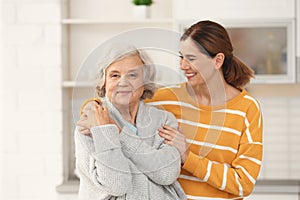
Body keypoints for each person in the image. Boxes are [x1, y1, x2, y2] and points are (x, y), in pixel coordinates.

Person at [145, 20, 263, 199]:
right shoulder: (165, 99)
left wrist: (187, 157)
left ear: (218, 60)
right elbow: (119, 105)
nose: (183, 65)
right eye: (181, 57)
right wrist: (92, 106)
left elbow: (243, 183)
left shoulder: (246, 109)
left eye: (191, 58)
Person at [74, 43, 186, 200]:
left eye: (132, 75)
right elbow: (116, 184)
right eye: (114, 75)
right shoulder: (90, 123)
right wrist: (105, 130)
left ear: (145, 81)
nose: (123, 82)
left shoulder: (164, 120)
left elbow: (167, 174)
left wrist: (118, 132)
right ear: (104, 81)